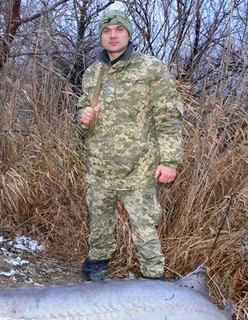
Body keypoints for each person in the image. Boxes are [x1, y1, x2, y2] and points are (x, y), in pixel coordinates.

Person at [76, 10, 184, 281]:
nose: (113, 35)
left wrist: (170, 161)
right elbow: (82, 115)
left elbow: (168, 116)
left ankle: (154, 284)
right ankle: (95, 278)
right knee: (99, 227)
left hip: (139, 168)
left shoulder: (150, 68)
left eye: (119, 29)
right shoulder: (93, 72)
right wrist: (82, 118)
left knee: (145, 230)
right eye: (107, 30)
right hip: (99, 168)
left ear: (128, 33)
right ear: (101, 36)